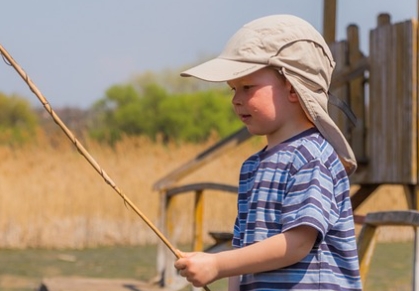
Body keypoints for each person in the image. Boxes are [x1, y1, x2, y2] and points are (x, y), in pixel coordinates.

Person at [174, 14, 362, 291]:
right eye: (233, 89)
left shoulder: (312, 156)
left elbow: (297, 243)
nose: (236, 99)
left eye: (247, 87)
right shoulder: (252, 166)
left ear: (292, 88)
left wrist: (217, 264)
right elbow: (242, 247)